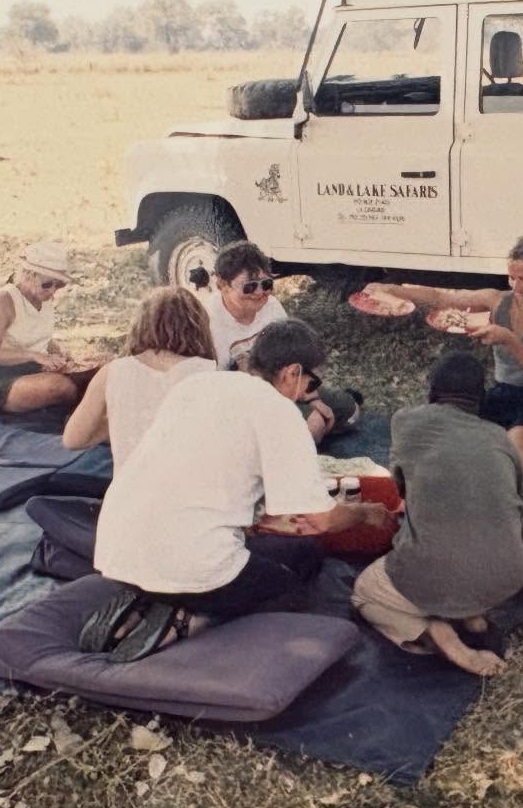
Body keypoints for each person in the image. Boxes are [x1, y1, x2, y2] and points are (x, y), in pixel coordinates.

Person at [81, 319, 392, 662]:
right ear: (291, 373)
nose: (312, 393)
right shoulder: (281, 413)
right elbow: (322, 520)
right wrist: (368, 513)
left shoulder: (196, 384)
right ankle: (186, 619)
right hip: (191, 562)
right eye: (312, 383)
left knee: (301, 554)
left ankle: (148, 600)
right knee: (290, 591)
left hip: (117, 549)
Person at [352, 352, 523, 677]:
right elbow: (521, 511)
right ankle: (471, 615)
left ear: (432, 391)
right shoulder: (502, 440)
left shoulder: (406, 422)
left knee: (364, 592)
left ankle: (444, 638)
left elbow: (402, 492)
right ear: (480, 398)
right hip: (511, 574)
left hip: (438, 576)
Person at [365, 234, 523, 473]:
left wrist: (509, 339)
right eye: (511, 278)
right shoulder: (497, 299)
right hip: (501, 392)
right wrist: (390, 288)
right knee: (448, 442)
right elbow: (442, 298)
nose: (516, 286)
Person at [207, 240, 361, 443]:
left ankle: (301, 429)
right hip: (243, 401)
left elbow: (294, 357)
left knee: (350, 411)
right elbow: (214, 392)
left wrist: (312, 397)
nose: (260, 292)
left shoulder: (271, 306)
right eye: (249, 286)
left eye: (267, 284)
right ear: (222, 285)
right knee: (310, 427)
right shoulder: (208, 321)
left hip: (285, 385)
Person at [62, 287, 218, 467]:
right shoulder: (208, 372)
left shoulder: (112, 372)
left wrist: (121, 421)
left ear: (140, 325)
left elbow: (73, 439)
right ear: (198, 326)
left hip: (128, 492)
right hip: (190, 489)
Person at [0, 241, 80, 414]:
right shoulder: (5, 299)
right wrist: (34, 356)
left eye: (59, 285)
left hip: (35, 370)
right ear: (29, 274)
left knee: (96, 373)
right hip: (2, 378)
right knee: (61, 387)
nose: (53, 291)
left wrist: (58, 352)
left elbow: (38, 335)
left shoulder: (45, 297)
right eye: (47, 284)